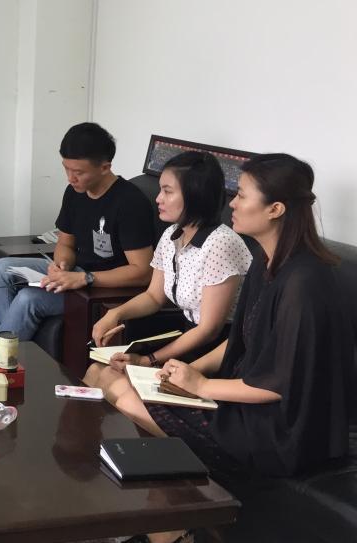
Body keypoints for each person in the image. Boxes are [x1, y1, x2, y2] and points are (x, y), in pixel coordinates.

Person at [109, 153, 351, 496]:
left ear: (275, 209)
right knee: (126, 388)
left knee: (128, 400)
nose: (232, 204)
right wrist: (187, 371)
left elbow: (281, 384)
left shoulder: (305, 283)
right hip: (246, 402)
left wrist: (203, 386)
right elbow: (239, 342)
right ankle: (173, 507)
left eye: (242, 195)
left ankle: (183, 509)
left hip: (280, 429)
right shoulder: (265, 262)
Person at [83, 151, 251, 396]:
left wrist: (149, 359)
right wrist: (115, 314)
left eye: (167, 191)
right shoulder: (172, 234)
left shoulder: (220, 244)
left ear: (195, 195)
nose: (158, 198)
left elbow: (209, 330)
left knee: (112, 380)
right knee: (96, 371)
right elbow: (154, 296)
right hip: (184, 338)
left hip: (215, 352)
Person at [0, 122, 155, 342]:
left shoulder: (130, 202)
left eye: (78, 172)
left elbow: (143, 272)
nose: (70, 178)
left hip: (106, 286)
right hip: (78, 272)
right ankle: (3, 346)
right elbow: (65, 243)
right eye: (66, 169)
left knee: (28, 298)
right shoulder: (75, 192)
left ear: (105, 167)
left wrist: (85, 278)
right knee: (0, 269)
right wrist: (61, 265)